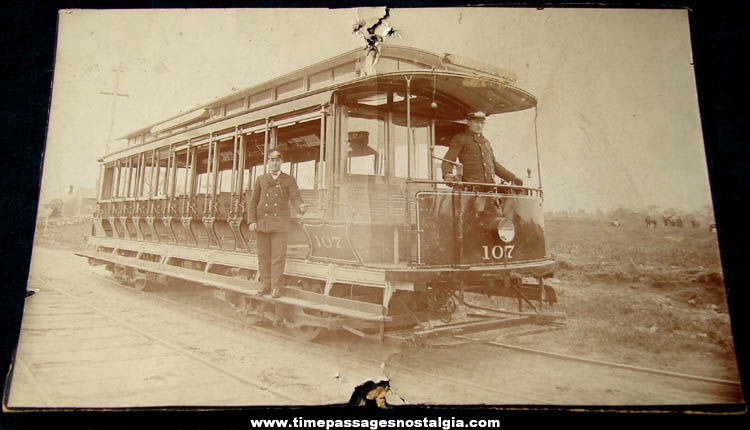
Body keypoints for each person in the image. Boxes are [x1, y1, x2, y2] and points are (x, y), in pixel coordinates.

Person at [247, 150, 305, 298]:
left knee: (278, 257)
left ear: (281, 162)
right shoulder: (261, 179)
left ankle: (275, 287)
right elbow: (253, 202)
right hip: (263, 223)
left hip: (280, 225)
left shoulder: (288, 180)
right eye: (272, 160)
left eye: (277, 160)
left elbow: (295, 196)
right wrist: (252, 220)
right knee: (263, 256)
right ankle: (265, 285)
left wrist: (300, 207)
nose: (274, 163)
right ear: (268, 162)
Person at [442, 111, 524, 186]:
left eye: (482, 123)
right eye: (476, 122)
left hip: (489, 189)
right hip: (470, 190)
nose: (479, 126)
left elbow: (494, 165)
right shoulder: (460, 138)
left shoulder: (486, 143)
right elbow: (448, 160)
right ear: (469, 123)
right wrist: (447, 174)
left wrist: (512, 177)